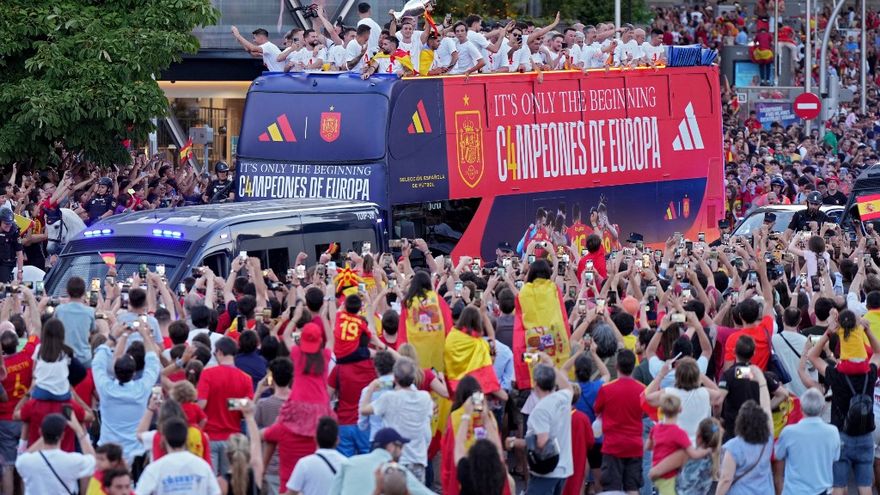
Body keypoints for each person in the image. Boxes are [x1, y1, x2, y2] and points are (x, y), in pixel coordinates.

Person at [808, 312, 880, 495]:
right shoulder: (869, 373)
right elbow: (878, 353)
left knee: (838, 486)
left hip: (841, 435)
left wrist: (828, 333)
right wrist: (868, 331)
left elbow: (812, 356)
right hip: (865, 434)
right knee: (865, 486)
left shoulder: (836, 374)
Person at [265, 322, 334, 489]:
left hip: (297, 403)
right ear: (320, 341)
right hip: (321, 406)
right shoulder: (324, 356)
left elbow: (286, 336)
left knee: (270, 434)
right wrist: (324, 318)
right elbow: (332, 340)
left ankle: (261, 469)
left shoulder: (297, 354)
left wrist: (294, 317)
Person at [92, 322, 161, 465]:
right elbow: (153, 362)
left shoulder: (105, 388)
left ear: (115, 370)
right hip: (135, 452)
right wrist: (145, 335)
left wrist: (114, 337)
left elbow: (97, 362)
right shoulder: (142, 389)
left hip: (108, 452)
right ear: (134, 372)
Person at [359, 356, 434, 483]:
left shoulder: (389, 398)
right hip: (418, 459)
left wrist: (371, 388)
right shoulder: (425, 397)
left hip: (396, 459)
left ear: (395, 377)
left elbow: (363, 410)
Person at [508, 357, 573, 495]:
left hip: (546, 472)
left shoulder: (541, 409)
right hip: (563, 468)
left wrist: (514, 442)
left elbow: (541, 443)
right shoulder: (564, 397)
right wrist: (552, 365)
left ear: (535, 383)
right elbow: (568, 387)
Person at [196, 336, 254, 475]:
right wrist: (229, 403)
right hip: (232, 439)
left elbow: (202, 404)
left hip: (209, 436)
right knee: (228, 481)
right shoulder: (246, 378)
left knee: (210, 481)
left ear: (219, 352)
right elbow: (247, 408)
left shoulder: (207, 374)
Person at [715, 365, 775, 495]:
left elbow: (726, 479)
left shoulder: (732, 447)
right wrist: (761, 381)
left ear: (740, 421)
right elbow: (766, 407)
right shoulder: (768, 439)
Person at [593, 349, 645, 494]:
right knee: (633, 488)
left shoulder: (606, 389)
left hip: (612, 446)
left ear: (616, 365)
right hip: (634, 445)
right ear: (634, 366)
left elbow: (597, 410)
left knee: (612, 489)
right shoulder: (642, 389)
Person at [328, 427, 434, 495]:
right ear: (391, 446)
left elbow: (333, 492)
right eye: (400, 447)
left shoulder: (349, 463)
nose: (401, 453)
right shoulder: (395, 470)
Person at [774, 387, 840, 495]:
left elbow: (778, 454)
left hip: (794, 491)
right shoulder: (833, 432)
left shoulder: (788, 432)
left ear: (801, 407)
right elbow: (835, 457)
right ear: (823, 407)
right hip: (821, 490)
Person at [135, 417, 220, 495]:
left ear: (164, 439)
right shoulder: (202, 466)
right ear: (186, 438)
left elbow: (140, 492)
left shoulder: (155, 468)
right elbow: (216, 492)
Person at [15, 413, 96, 493]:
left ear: (41, 432)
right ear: (62, 435)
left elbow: (22, 457)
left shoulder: (26, 461)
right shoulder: (72, 460)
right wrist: (79, 430)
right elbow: (94, 462)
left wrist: (46, 434)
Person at [286, 417, 346, 495]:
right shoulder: (346, 463)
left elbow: (291, 493)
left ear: (315, 439)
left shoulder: (304, 463)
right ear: (337, 440)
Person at [217, 401, 264, 495]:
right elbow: (256, 443)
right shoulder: (255, 473)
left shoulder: (221, 483)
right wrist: (249, 417)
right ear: (248, 453)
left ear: (227, 454)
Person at [0, 207, 23, 283]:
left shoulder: (14, 231)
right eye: (6, 223)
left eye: (10, 223)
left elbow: (19, 253)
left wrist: (20, 271)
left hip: (6, 263)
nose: (9, 225)